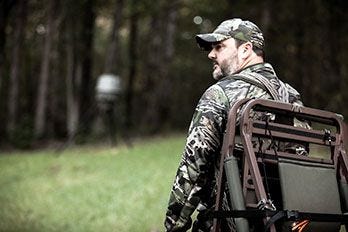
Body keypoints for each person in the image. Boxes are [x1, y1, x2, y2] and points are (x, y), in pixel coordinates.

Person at [164, 18, 306, 232]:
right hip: (284, 221)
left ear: (245, 49)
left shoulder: (220, 94)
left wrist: (174, 225)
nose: (211, 54)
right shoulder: (291, 96)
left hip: (229, 221)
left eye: (219, 46)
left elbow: (193, 168)